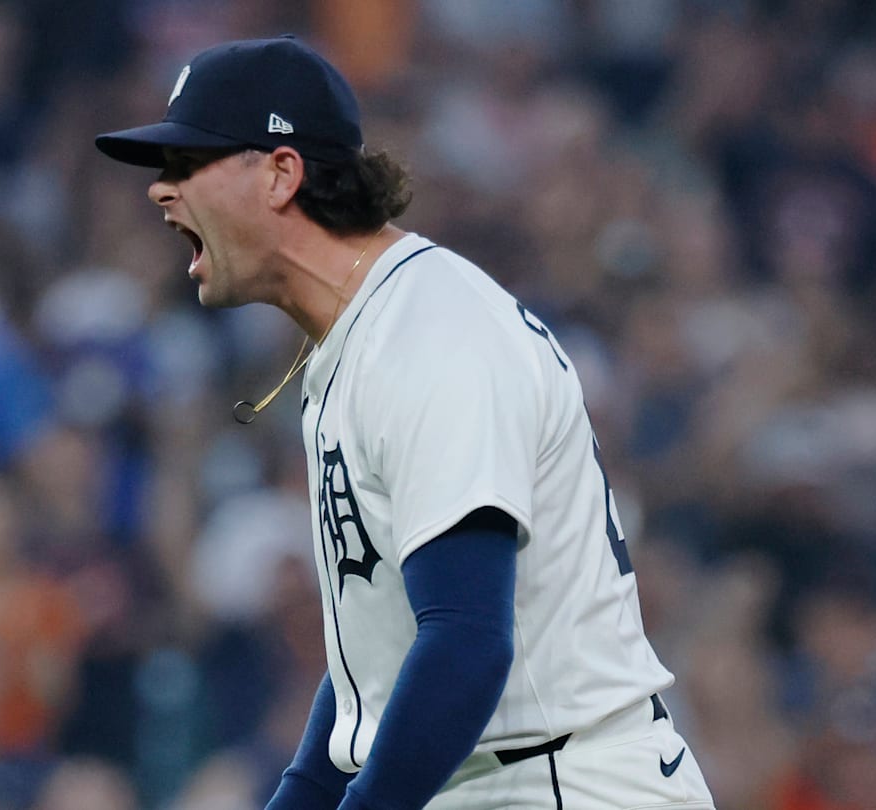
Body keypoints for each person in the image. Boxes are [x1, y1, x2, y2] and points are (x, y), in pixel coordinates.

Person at [95, 35, 715, 810]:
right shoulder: (359, 340)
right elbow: (376, 669)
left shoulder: (433, 334)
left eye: (190, 164)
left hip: (562, 784)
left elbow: (465, 645)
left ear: (282, 173)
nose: (161, 190)